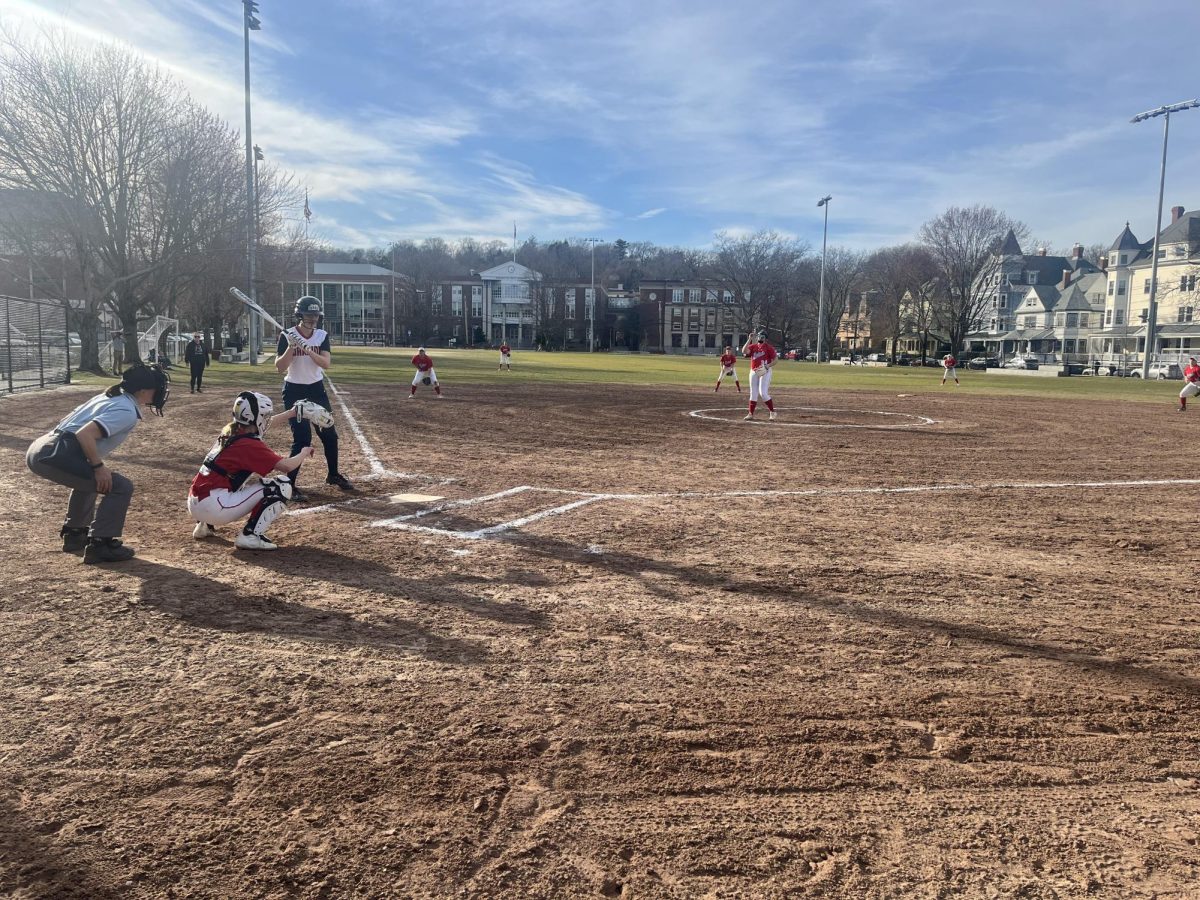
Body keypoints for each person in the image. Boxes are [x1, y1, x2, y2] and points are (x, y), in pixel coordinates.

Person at [26, 363, 170, 564]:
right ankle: (100, 544)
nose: (160, 391)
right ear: (143, 391)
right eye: (157, 387)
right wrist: (98, 466)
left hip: (43, 447)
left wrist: (96, 468)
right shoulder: (126, 410)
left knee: (94, 480)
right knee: (119, 486)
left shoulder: (111, 396)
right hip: (55, 454)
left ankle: (75, 534)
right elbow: (84, 434)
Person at [188, 392, 328, 550]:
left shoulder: (230, 430)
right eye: (264, 416)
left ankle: (203, 526)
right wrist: (303, 453)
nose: (267, 419)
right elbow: (287, 466)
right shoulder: (249, 444)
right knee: (281, 486)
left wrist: (292, 412)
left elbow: (262, 426)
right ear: (255, 418)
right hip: (213, 507)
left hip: (195, 502)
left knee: (227, 477)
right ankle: (250, 536)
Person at [275, 295, 355, 502]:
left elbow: (325, 364)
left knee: (329, 434)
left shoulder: (322, 336)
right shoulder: (288, 335)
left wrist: (308, 350)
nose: (313, 319)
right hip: (294, 390)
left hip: (316, 390)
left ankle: (333, 474)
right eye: (309, 315)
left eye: (316, 315)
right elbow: (280, 367)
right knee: (302, 439)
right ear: (299, 315)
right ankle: (289, 484)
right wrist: (292, 347)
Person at [740, 329, 777, 421]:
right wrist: (749, 339)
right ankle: (750, 414)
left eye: (763, 336)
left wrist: (768, 366)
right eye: (759, 336)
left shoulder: (769, 347)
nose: (760, 338)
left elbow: (775, 360)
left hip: (764, 370)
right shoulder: (753, 346)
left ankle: (772, 412)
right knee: (753, 393)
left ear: (766, 339)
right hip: (754, 370)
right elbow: (744, 351)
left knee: (763, 393)